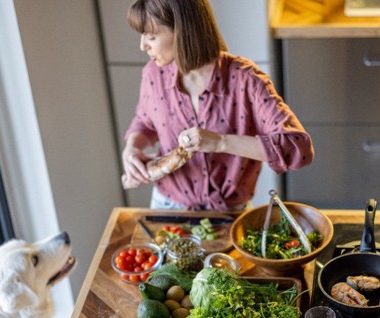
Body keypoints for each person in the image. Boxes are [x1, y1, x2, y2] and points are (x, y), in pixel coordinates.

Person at [121, 0, 314, 211]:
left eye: (151, 36)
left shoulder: (246, 80)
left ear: (183, 31)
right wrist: (132, 148)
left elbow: (297, 148)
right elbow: (145, 121)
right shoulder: (153, 74)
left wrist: (220, 142)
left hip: (230, 213)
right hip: (167, 205)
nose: (142, 46)